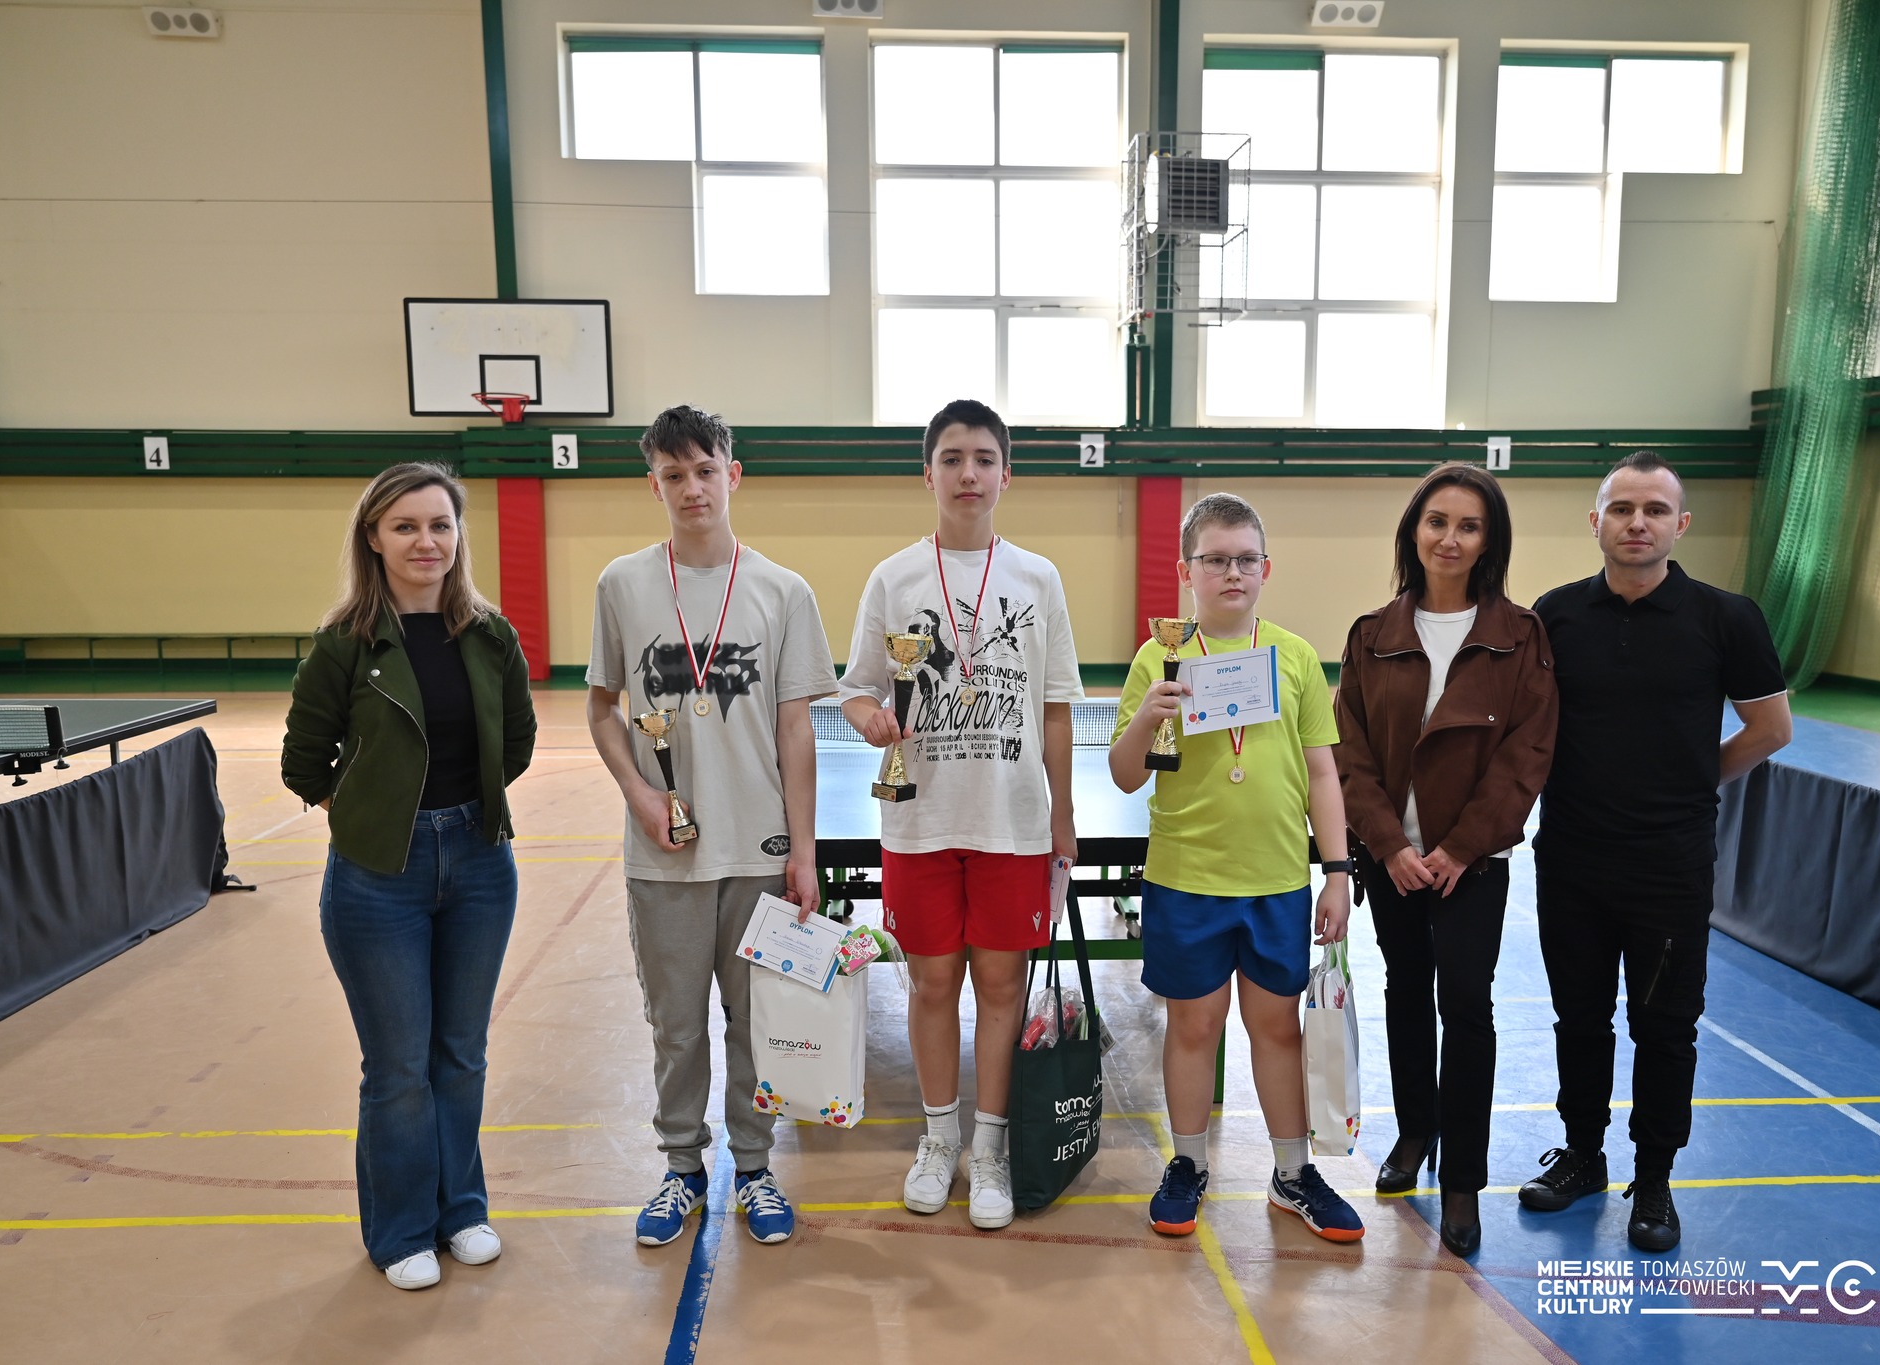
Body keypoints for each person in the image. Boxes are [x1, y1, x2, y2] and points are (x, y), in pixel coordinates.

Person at [1522, 451, 1791, 1252]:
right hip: (1570, 858)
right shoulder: (1554, 615)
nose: (1637, 522)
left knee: (1666, 1027)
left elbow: (1771, 728)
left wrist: (1691, 782)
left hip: (1670, 865)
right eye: (1622, 507)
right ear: (1595, 521)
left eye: (1655, 509)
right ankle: (1582, 1154)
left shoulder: (1726, 616)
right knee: (1579, 1017)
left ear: (1681, 524)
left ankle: (1655, 1177)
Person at [281, 462, 537, 1290]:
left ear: (458, 536)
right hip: (377, 879)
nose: (426, 541)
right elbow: (302, 762)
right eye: (405, 526)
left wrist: (459, 816)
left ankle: (462, 1209)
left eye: (440, 524)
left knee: (460, 1055)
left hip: (480, 865)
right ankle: (399, 1232)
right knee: (397, 1067)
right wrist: (376, 814)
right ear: (374, 537)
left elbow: (517, 742)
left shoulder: (491, 635)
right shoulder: (343, 643)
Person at [585, 405, 835, 1249]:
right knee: (677, 1027)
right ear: (652, 483)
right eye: (673, 474)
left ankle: (755, 1167)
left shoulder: (784, 591)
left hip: (759, 849)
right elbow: (602, 708)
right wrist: (638, 794)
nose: (691, 488)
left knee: (756, 1023)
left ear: (734, 474)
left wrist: (804, 851)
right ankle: (682, 1167)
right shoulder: (622, 584)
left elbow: (797, 729)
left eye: (704, 470)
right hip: (664, 854)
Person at [838, 399, 1082, 1230]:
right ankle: (939, 1138)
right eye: (952, 458)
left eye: (983, 458)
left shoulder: (1038, 577)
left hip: (1012, 823)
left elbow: (1056, 710)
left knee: (1002, 985)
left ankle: (991, 1146)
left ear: (1006, 474)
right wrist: (870, 718)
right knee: (932, 982)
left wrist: (1061, 818)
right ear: (929, 473)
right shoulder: (894, 577)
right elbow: (855, 689)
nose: (968, 473)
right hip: (921, 822)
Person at [1109, 492, 1365, 1244]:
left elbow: (1323, 773)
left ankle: (1293, 1173)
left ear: (1265, 569)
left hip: (1276, 882)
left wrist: (1338, 870)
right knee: (1194, 1026)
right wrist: (1149, 715)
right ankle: (1188, 1163)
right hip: (1185, 879)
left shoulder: (1294, 656)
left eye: (1245, 559)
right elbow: (1124, 774)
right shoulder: (1158, 657)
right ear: (1185, 570)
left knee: (1276, 1027)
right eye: (1215, 559)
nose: (1232, 572)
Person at [1332, 463, 1557, 1257]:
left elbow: (1528, 752)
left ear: (1489, 540)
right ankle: (1414, 1132)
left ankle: (1463, 1176)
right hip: (1391, 862)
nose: (1450, 538)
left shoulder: (1521, 634)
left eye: (1469, 525)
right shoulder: (1372, 633)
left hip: (1473, 865)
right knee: (1405, 991)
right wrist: (1388, 844)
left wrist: (1462, 846)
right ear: (1414, 532)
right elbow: (1349, 751)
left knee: (1465, 1005)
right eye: (1437, 521)